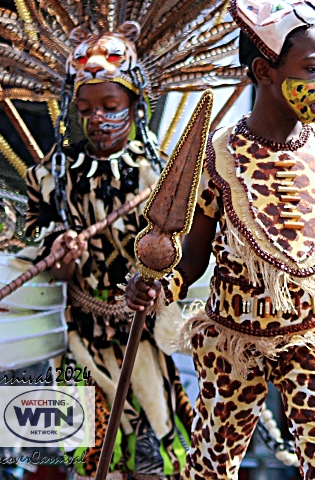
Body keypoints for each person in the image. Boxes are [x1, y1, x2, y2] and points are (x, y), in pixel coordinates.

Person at [127, 0, 315, 480]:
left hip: (314, 334)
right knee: (211, 469)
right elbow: (191, 259)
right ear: (264, 72)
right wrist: (158, 288)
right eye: (312, 70)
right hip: (233, 339)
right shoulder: (217, 156)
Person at [25, 24, 194, 479]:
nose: (96, 118)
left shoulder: (159, 177)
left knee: (156, 456)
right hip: (79, 337)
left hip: (142, 339)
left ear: (136, 106)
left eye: (110, 107)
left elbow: (185, 251)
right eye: (85, 108)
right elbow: (35, 228)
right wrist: (57, 248)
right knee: (90, 460)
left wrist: (157, 280)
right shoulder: (54, 174)